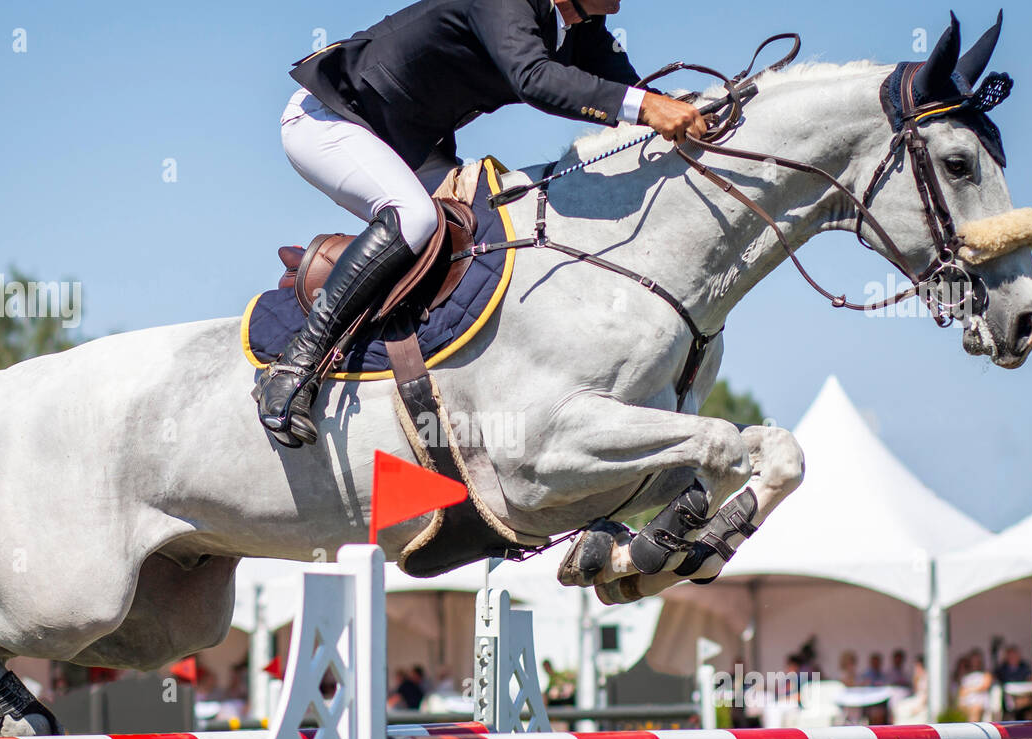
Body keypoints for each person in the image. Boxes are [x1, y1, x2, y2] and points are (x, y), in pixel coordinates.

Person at [255, 0, 707, 447]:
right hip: (333, 118)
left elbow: (632, 92)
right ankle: (295, 366)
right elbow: (533, 78)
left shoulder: (582, 24)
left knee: (491, 222)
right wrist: (649, 107)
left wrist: (694, 110)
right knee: (413, 219)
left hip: (411, 140)